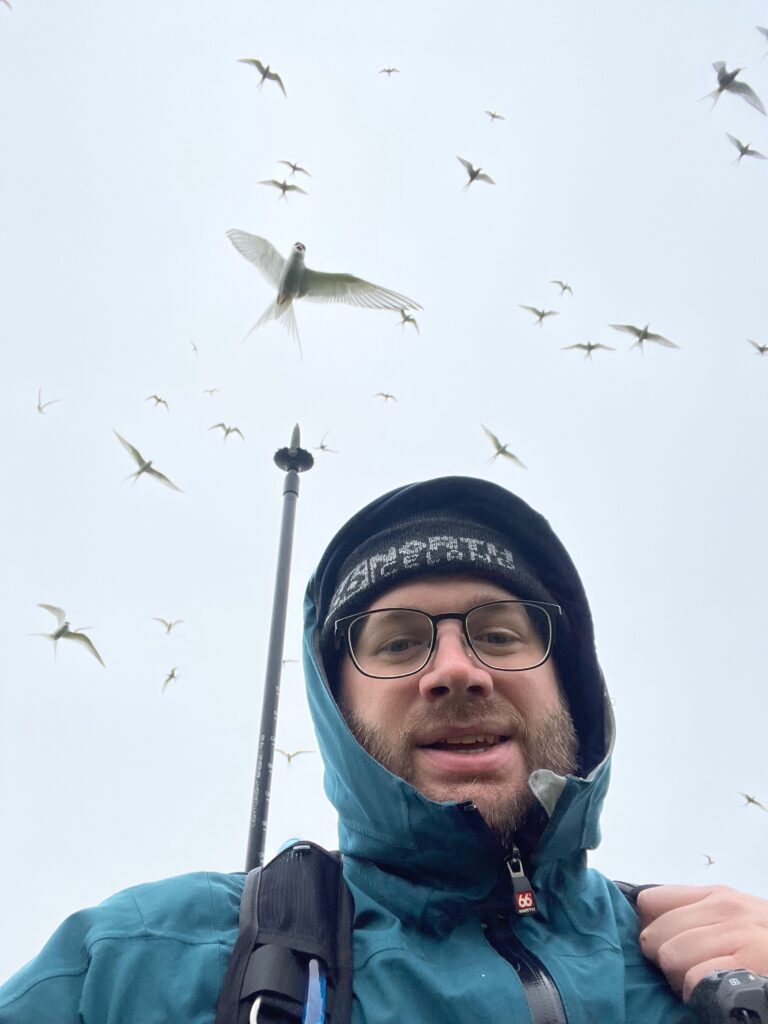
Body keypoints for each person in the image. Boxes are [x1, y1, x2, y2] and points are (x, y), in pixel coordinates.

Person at [2, 475, 768, 1024]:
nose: (457, 672)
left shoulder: (714, 973)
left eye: (499, 633)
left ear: (569, 685)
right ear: (336, 712)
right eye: (399, 644)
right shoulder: (134, 965)